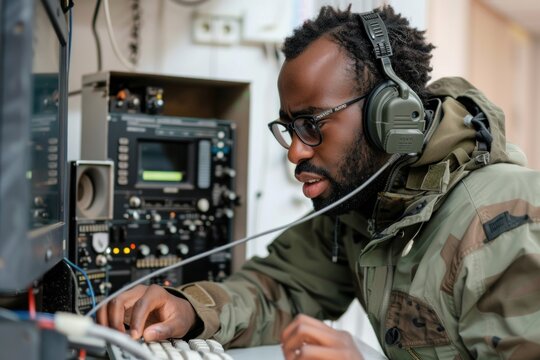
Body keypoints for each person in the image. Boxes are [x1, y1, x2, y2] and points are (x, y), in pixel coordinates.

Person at [98, 4, 540, 360]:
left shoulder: (504, 222)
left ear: (389, 116)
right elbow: (282, 289)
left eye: (312, 124)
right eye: (289, 129)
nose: (295, 152)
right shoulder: (366, 202)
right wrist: (191, 310)